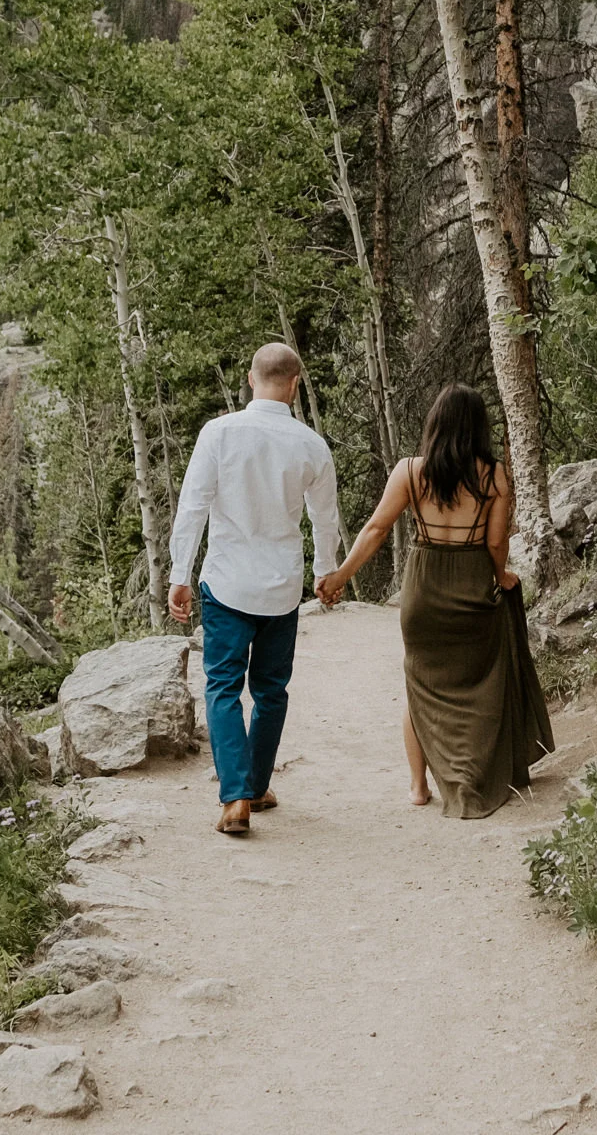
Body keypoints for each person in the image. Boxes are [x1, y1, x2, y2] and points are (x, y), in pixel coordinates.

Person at [318, 384, 553, 818]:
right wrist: (499, 577)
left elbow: (375, 530)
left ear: (435, 425)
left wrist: (340, 577)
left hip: (424, 589)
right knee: (479, 687)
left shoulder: (409, 471)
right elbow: (497, 540)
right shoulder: (493, 475)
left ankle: (418, 786)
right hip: (471, 584)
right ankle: (473, 776)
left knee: (420, 687)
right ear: (479, 427)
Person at [168, 341, 342, 837]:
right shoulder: (311, 444)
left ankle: (235, 798)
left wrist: (181, 575)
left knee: (223, 686)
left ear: (250, 378)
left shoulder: (218, 433)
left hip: (225, 583)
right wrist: (325, 572)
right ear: (295, 383)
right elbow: (323, 519)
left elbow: (193, 507)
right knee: (270, 691)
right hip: (281, 587)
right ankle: (256, 786)